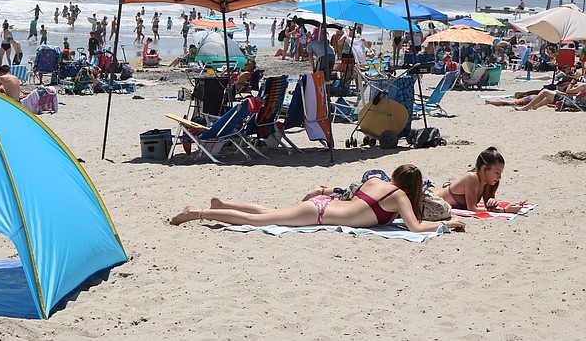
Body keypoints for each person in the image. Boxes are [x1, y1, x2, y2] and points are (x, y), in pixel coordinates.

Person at [171, 164, 466, 232]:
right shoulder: (400, 196)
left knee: (270, 212)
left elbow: (347, 192)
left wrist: (323, 191)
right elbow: (415, 227)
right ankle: (196, 213)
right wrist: (448, 225)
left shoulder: (376, 180)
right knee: (258, 221)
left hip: (324, 206)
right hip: (321, 215)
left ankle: (222, 205)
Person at [431, 147, 524, 213]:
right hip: (428, 196)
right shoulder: (472, 177)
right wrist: (503, 210)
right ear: (484, 169)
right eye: (497, 173)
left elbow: (488, 207)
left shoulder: (488, 182)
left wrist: (493, 203)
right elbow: (472, 208)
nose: (499, 177)